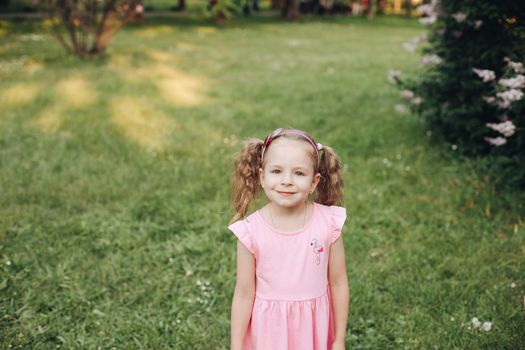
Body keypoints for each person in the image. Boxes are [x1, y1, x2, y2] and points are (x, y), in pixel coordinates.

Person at [228, 128, 350, 350]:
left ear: (314, 182)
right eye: (277, 171)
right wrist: (236, 346)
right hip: (269, 331)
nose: (287, 181)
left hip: (314, 327)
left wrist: (338, 339)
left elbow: (338, 282)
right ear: (262, 177)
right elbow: (245, 294)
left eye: (299, 173)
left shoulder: (327, 224)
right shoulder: (251, 232)